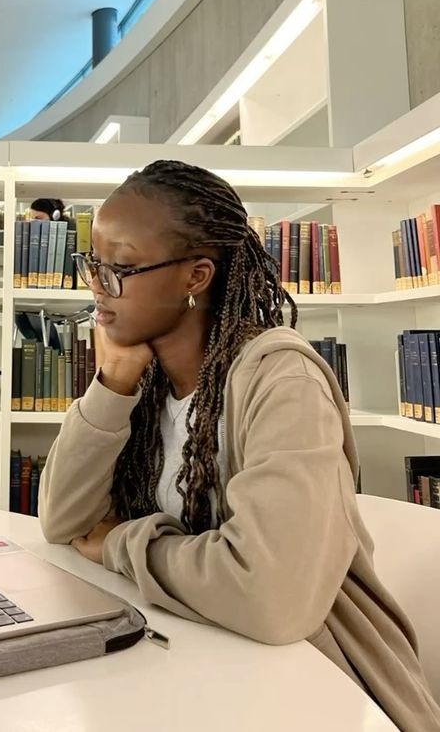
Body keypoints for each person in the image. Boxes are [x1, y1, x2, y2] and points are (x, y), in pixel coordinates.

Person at [39, 160, 440, 731]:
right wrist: (113, 384)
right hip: (195, 664)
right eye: (92, 264)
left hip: (320, 688)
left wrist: (121, 544)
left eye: (121, 268)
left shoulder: (282, 382)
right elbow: (63, 521)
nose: (97, 287)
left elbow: (272, 598)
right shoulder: (145, 379)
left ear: (196, 276)